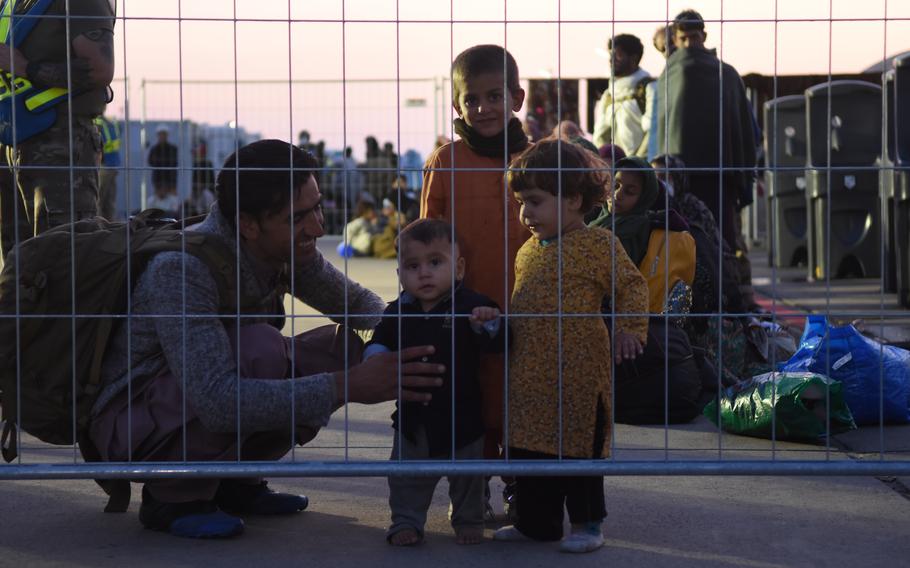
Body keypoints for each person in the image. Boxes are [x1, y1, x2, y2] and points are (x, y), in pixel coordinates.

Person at [88, 140, 445, 539]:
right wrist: (349, 386)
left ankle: (237, 482)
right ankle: (174, 498)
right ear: (248, 224)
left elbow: (359, 304)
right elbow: (217, 401)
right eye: (299, 218)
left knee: (346, 348)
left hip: (183, 406)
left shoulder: (286, 248)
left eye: (317, 207)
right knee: (262, 350)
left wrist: (421, 335)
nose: (318, 227)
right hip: (132, 423)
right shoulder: (182, 269)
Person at [492, 138, 648, 553]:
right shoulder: (526, 251)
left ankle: (587, 525)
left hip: (580, 373)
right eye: (521, 202)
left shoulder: (599, 245)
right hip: (529, 372)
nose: (526, 213)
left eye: (536, 201)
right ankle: (535, 524)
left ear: (575, 200)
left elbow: (632, 286)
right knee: (529, 450)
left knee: (579, 449)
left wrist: (630, 329)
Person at [421, 44, 530, 486]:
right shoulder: (445, 162)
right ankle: (472, 489)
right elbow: (426, 240)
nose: (483, 107)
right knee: (473, 400)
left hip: (530, 308)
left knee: (522, 400)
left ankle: (521, 489)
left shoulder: (540, 161)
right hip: (465, 309)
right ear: (457, 105)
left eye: (494, 96)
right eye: (472, 99)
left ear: (516, 99)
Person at [365, 219, 506, 547]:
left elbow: (500, 344)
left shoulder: (472, 305)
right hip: (414, 418)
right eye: (412, 266)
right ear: (399, 273)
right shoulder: (397, 310)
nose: (424, 273)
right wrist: (375, 356)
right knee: (406, 477)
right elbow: (379, 341)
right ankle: (406, 521)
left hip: (464, 414)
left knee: (468, 477)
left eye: (435, 262)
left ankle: (469, 519)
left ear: (458, 268)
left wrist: (489, 326)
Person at [590, 156, 703, 424]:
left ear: (645, 196)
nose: (617, 195)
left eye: (629, 191)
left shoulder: (635, 231)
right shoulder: (597, 222)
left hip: (625, 326)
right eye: (615, 185)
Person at [0, 0, 115, 259]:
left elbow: (99, 69)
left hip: (61, 144)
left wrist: (23, 67)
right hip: (12, 143)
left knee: (63, 264)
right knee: (17, 271)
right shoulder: (13, 3)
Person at [654, 9, 756, 254]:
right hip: (683, 180)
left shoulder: (725, 74)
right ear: (676, 40)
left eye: (695, 37)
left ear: (704, 36)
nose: (690, 44)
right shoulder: (672, 75)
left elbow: (743, 128)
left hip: (716, 179)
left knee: (711, 246)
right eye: (685, 39)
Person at [591, 34, 655, 158]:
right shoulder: (608, 95)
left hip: (642, 168)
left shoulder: (649, 89)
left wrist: (636, 165)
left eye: (618, 55)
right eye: (611, 55)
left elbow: (652, 132)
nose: (611, 60)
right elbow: (600, 137)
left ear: (633, 58)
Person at [94, 114, 122, 220]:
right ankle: (110, 226)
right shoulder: (111, 123)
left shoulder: (96, 124)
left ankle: (100, 227)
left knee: (97, 200)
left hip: (103, 165)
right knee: (109, 200)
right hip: (113, 164)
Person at [148, 125, 178, 202]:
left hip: (170, 180)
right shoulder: (154, 149)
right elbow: (150, 162)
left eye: (164, 134)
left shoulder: (173, 148)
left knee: (172, 201)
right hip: (158, 179)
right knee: (158, 201)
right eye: (160, 134)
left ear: (167, 135)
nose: (162, 136)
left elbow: (174, 163)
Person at [187, 140, 215, 217]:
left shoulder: (208, 163)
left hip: (206, 191)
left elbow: (211, 180)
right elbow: (194, 181)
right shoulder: (196, 164)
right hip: (198, 192)